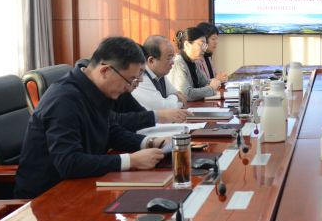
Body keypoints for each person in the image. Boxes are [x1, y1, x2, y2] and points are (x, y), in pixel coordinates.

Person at [14, 37, 166, 199]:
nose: (130, 88)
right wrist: (131, 160)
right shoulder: (63, 100)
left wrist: (152, 142)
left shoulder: (98, 90)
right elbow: (68, 162)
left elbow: (113, 132)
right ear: (105, 71)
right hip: (46, 198)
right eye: (130, 80)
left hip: (81, 186)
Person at [134, 35, 189, 111]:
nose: (173, 62)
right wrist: (175, 97)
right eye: (169, 58)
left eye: (173, 57)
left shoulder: (160, 74)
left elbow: (182, 97)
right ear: (151, 60)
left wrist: (172, 99)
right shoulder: (141, 77)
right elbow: (163, 109)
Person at [169, 27, 221, 101]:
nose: (204, 49)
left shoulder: (194, 62)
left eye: (205, 45)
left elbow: (204, 82)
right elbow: (187, 94)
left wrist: (217, 82)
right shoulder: (178, 63)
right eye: (201, 44)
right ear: (187, 44)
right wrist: (211, 89)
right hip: (180, 107)